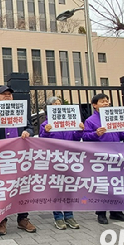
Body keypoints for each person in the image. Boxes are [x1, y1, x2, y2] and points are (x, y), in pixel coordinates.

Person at [0, 86, 36, 235]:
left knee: (22, 187)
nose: (7, 97)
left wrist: (28, 132)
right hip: (1, 157)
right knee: (2, 189)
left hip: (20, 156)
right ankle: (2, 220)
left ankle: (23, 219)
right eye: (4, 94)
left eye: (9, 95)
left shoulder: (20, 109)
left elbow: (30, 127)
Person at [83, 93, 124, 225]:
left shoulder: (114, 118)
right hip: (100, 155)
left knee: (116, 183)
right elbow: (85, 137)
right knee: (102, 184)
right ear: (94, 105)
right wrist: (96, 133)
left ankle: (116, 212)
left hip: (116, 153)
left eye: (107, 101)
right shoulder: (90, 120)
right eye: (102, 102)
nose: (106, 103)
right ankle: (101, 212)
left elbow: (121, 134)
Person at [39, 96, 84, 230]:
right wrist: (46, 132)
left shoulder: (71, 122)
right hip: (54, 160)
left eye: (59, 104)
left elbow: (76, 139)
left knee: (68, 189)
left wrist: (79, 130)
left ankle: (69, 216)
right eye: (54, 104)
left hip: (70, 159)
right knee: (56, 190)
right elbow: (42, 140)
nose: (58, 106)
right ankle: (58, 217)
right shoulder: (46, 124)